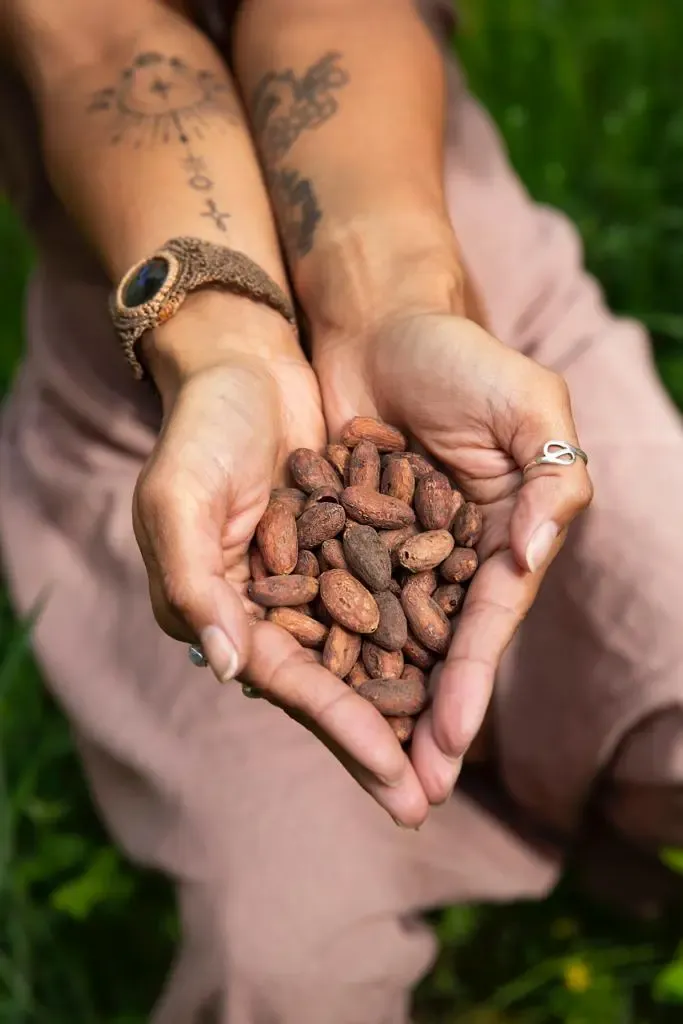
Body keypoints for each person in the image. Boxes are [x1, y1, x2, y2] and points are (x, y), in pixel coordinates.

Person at [0, 0, 681, 1020]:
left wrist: (392, 306)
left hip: (479, 329)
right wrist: (227, 351)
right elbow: (98, 39)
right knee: (279, 959)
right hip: (163, 419)